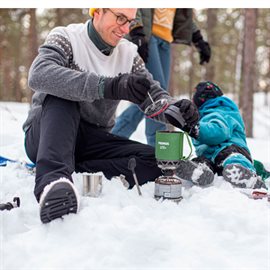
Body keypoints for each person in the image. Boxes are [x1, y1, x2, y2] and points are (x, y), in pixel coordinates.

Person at [23, 8, 199, 223]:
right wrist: (107, 86)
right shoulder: (66, 37)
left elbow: (152, 95)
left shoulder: (128, 54)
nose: (125, 29)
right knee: (63, 95)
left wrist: (175, 108)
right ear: (97, 11)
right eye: (120, 18)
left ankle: (73, 170)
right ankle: (53, 182)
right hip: (46, 134)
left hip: (91, 141)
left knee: (155, 162)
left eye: (130, 22)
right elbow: (39, 74)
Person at [112, 8, 211, 146]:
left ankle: (115, 136)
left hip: (166, 40)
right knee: (156, 95)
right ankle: (156, 147)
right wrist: (136, 28)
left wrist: (198, 38)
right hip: (147, 34)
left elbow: (181, 13)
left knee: (154, 95)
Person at [175, 81, 266, 189]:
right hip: (211, 155)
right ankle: (200, 171)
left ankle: (245, 174)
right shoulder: (204, 114)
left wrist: (195, 128)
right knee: (203, 161)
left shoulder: (219, 112)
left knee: (232, 157)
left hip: (230, 148)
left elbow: (219, 132)